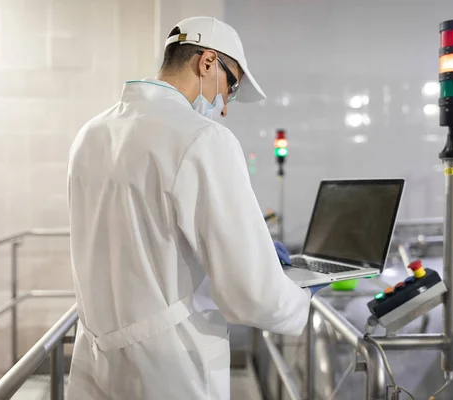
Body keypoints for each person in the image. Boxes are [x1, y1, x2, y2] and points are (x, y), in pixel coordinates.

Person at [66, 16, 326, 400]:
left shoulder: (92, 133)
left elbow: (140, 240)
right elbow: (251, 293)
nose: (224, 106)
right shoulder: (203, 139)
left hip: (97, 359)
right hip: (169, 366)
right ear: (206, 62)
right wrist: (299, 295)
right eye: (231, 86)